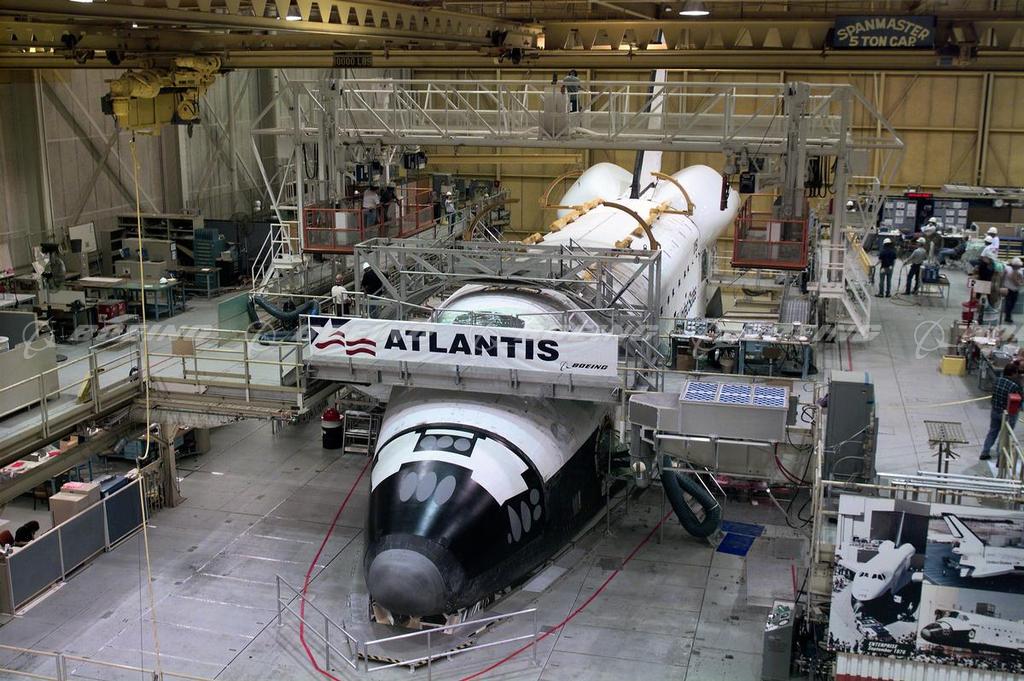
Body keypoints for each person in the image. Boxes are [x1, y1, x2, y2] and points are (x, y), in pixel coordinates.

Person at [981, 363, 1022, 460]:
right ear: (1013, 373)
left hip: (995, 410)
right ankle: (1001, 456)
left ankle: (985, 452)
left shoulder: (997, 380)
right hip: (1008, 414)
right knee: (1005, 434)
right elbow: (1019, 400)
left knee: (993, 431)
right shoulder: (1014, 386)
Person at [1005, 258, 1023, 324]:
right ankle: (1007, 316)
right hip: (1009, 289)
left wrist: (1020, 282)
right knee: (1009, 304)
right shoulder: (1008, 269)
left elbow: (1021, 280)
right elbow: (1014, 280)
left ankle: (1008, 315)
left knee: (1012, 304)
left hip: (1015, 290)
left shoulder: (1020, 271)